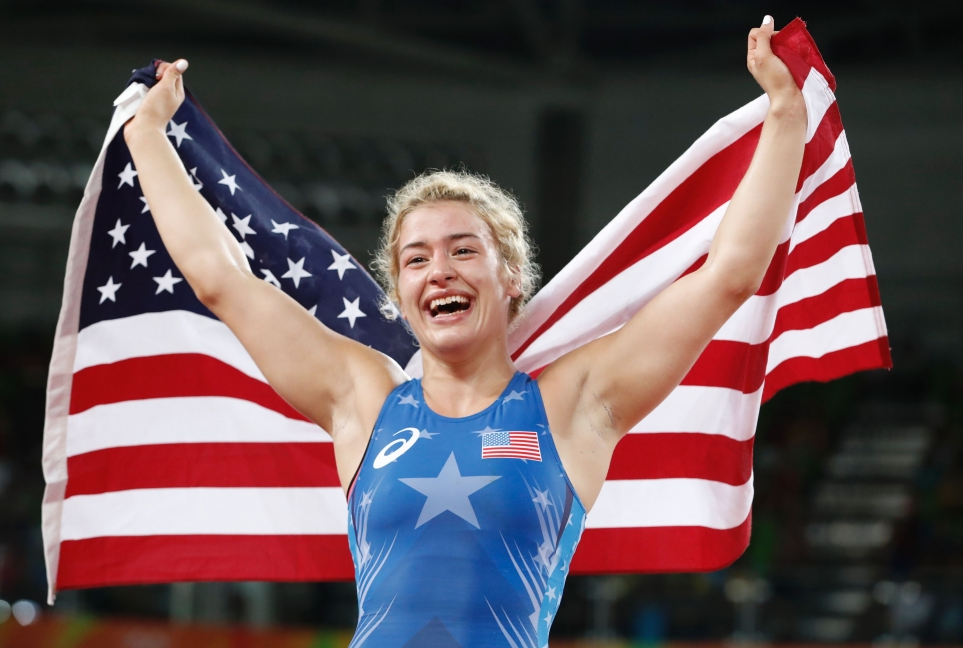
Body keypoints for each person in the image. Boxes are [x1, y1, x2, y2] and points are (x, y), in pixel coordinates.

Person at [123, 15, 805, 647]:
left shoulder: (573, 404)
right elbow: (221, 280)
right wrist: (146, 135)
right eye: (415, 259)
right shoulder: (362, 399)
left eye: (463, 250)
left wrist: (782, 112)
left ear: (511, 277)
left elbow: (730, 276)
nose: (439, 271)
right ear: (399, 295)